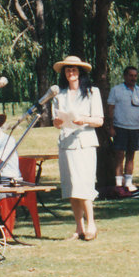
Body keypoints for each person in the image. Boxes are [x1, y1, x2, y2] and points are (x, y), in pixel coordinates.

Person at [52, 55, 104, 241]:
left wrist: (84, 119)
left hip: (85, 142)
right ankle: (79, 227)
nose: (71, 73)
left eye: (74, 69)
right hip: (66, 143)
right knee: (71, 186)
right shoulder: (59, 95)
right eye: (67, 70)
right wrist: (58, 122)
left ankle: (91, 224)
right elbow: (56, 122)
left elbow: (99, 120)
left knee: (84, 184)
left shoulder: (92, 92)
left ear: (80, 72)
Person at [107, 65, 139, 194]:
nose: (133, 78)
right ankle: (119, 184)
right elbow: (110, 109)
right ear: (125, 76)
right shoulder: (116, 90)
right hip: (120, 127)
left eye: (135, 76)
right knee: (119, 156)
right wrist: (111, 127)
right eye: (130, 75)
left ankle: (129, 183)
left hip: (134, 129)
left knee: (131, 156)